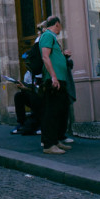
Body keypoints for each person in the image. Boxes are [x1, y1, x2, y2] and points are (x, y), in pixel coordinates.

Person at [39, 16, 73, 155]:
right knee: (52, 112)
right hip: (54, 80)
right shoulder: (47, 35)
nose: (61, 28)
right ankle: (49, 144)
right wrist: (53, 76)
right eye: (60, 26)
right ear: (57, 24)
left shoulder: (51, 37)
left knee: (60, 111)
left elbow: (52, 56)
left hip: (59, 79)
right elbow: (45, 56)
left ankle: (56, 140)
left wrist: (62, 55)